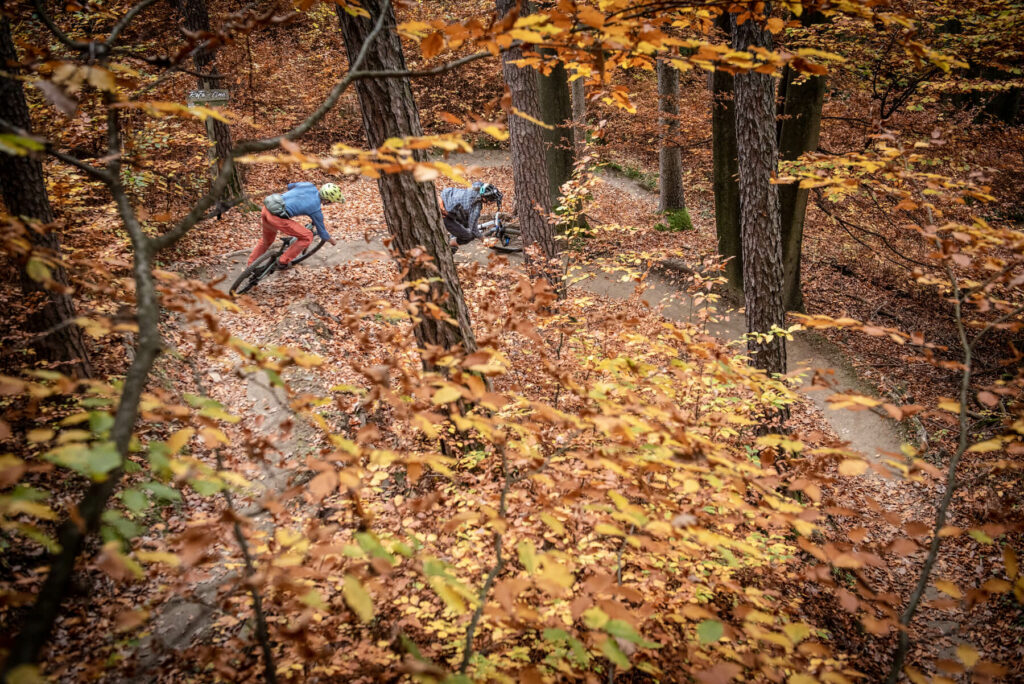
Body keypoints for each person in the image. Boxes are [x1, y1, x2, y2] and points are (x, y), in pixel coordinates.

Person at [247, 182, 343, 269]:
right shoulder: (316, 208)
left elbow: (290, 186)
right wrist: (332, 241)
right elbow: (323, 233)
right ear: (327, 200)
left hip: (267, 208)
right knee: (307, 236)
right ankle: (283, 261)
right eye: (331, 202)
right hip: (276, 219)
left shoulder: (308, 185)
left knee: (266, 241)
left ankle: (250, 266)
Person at [440, 181, 503, 250]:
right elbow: (473, 229)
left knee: (464, 221)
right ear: (484, 198)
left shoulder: (476, 186)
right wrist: (483, 239)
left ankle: (453, 237)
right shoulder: (475, 207)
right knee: (468, 236)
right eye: (492, 200)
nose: (492, 202)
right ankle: (446, 245)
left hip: (446, 194)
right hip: (446, 213)